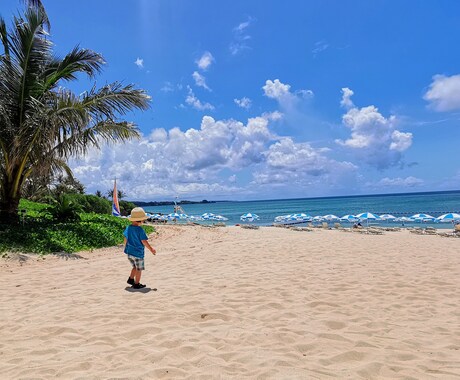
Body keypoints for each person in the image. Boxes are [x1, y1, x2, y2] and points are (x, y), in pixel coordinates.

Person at [124, 207, 156, 289]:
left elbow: (125, 239)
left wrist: (126, 247)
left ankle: (131, 279)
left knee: (134, 267)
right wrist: (151, 249)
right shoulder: (140, 230)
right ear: (141, 220)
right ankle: (137, 284)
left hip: (129, 252)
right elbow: (144, 241)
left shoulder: (128, 228)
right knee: (139, 269)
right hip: (138, 253)